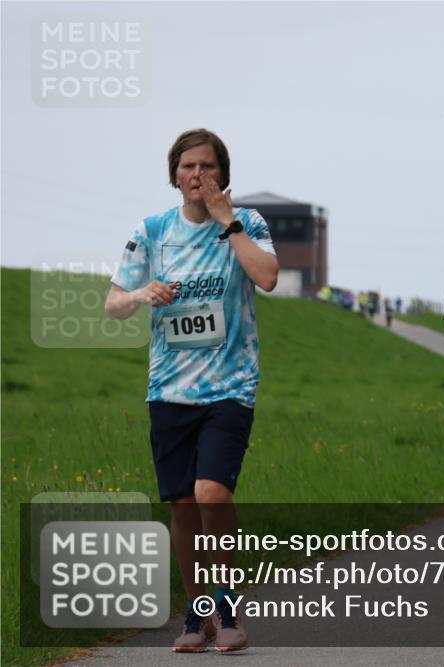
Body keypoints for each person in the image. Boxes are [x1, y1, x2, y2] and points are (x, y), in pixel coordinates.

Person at [104, 129, 278, 653]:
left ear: (223, 174)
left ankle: (227, 609)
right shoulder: (152, 230)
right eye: (187, 166)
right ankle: (196, 615)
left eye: (206, 166)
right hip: (168, 388)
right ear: (174, 175)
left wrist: (229, 223)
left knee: (211, 493)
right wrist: (140, 293)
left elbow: (267, 277)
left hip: (230, 386)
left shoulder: (247, 222)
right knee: (182, 505)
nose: (197, 174)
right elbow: (113, 304)